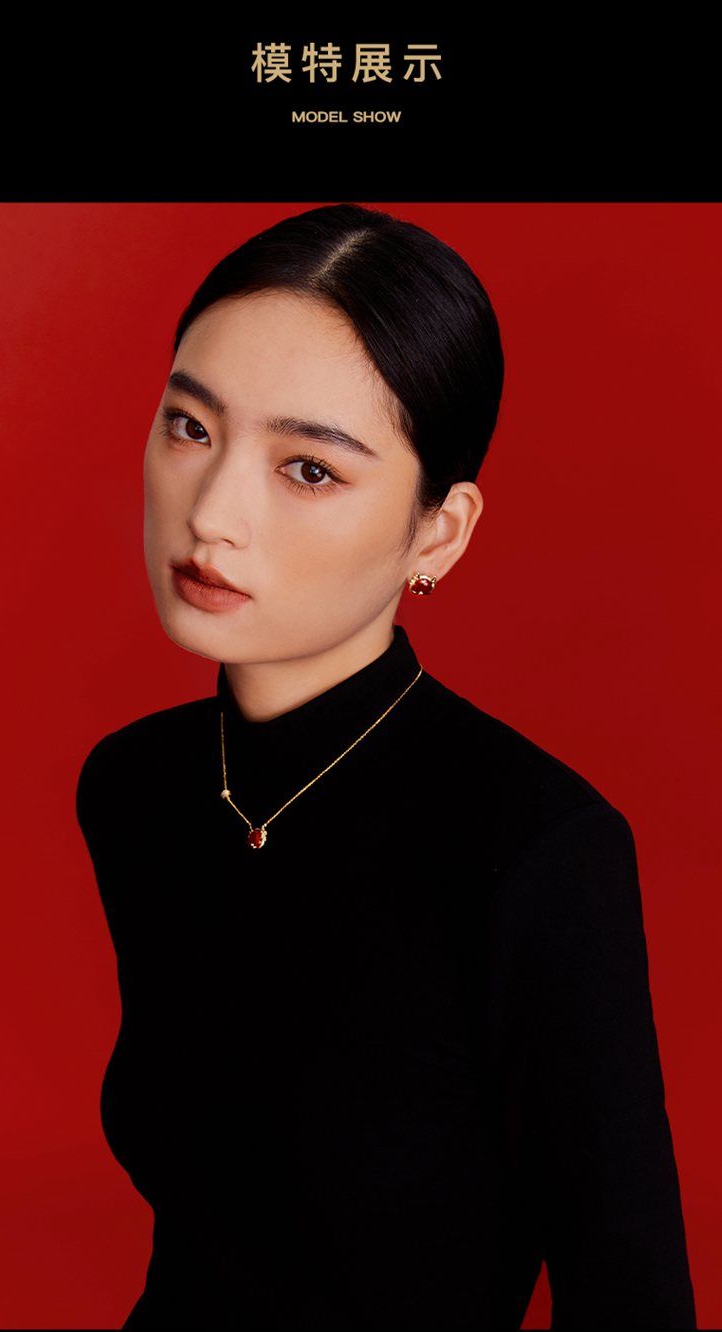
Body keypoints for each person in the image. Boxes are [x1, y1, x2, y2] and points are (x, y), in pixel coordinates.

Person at [76, 204, 696, 1329]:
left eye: (309, 469)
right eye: (191, 426)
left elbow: (627, 1291)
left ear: (438, 534)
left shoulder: (538, 852)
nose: (212, 513)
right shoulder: (135, 789)